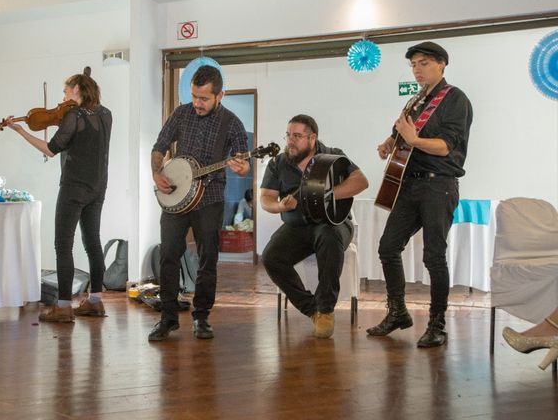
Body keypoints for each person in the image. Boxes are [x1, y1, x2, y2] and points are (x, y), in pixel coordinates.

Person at [366, 41, 473, 347]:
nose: (417, 70)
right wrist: (389, 143)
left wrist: (414, 140)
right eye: (413, 65)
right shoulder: (414, 101)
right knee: (388, 247)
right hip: (409, 184)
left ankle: (437, 324)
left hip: (439, 184)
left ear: (442, 64)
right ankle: (398, 312)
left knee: (433, 257)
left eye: (424, 63)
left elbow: (446, 146)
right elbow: (401, 134)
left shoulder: (455, 99)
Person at [149, 65, 250, 341]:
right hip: (176, 196)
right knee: (168, 254)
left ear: (220, 95)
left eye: (204, 98)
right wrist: (157, 173)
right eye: (194, 96)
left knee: (208, 259)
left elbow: (244, 164)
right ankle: (167, 318)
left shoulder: (232, 123)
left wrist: (241, 167)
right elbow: (159, 147)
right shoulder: (181, 113)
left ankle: (201, 316)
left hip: (210, 199)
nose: (197, 103)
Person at [6, 66, 112, 322]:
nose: (63, 97)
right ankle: (95, 302)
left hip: (74, 187)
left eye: (66, 91)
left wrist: (21, 131)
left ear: (77, 90)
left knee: (63, 244)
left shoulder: (74, 115)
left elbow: (51, 149)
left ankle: (63, 307)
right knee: (93, 242)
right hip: (98, 187)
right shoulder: (106, 114)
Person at [260, 114, 368, 338]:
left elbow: (361, 181)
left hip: (332, 223)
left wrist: (325, 195)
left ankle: (326, 309)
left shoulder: (333, 156)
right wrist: (280, 206)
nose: (290, 141)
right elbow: (266, 199)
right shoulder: (278, 163)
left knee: (328, 236)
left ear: (312, 138)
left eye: (297, 136)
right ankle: (313, 310)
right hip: (297, 226)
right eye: (288, 135)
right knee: (271, 256)